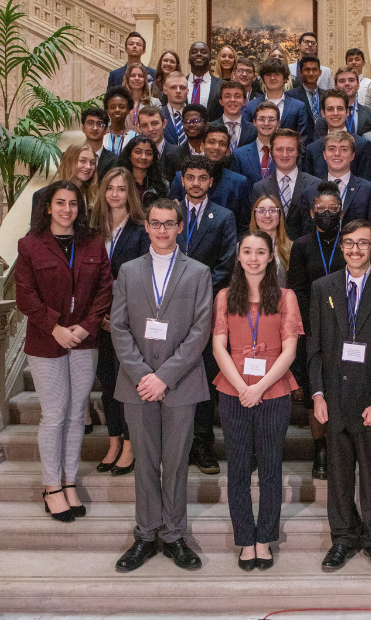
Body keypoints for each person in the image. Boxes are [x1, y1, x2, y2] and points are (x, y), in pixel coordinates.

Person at [112, 199, 212, 572]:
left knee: (175, 465)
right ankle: (145, 534)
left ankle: (174, 536)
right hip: (137, 385)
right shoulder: (129, 270)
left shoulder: (198, 272)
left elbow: (200, 331)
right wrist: (143, 376)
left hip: (180, 385)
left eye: (169, 224)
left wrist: (164, 377)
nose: (162, 230)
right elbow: (119, 326)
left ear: (180, 226)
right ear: (147, 227)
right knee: (144, 464)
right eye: (156, 224)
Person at [308, 220, 371, 573]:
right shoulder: (323, 288)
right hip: (333, 399)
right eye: (349, 243)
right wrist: (317, 394)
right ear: (342, 247)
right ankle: (344, 537)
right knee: (338, 474)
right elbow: (314, 348)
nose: (355, 249)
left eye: (363, 243)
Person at [15, 181, 113, 522]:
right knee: (54, 414)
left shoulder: (93, 242)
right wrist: (55, 327)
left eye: (72, 203)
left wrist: (86, 326)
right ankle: (51, 486)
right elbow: (25, 296)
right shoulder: (29, 245)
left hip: (84, 340)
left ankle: (69, 482)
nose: (66, 209)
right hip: (46, 341)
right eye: (60, 202)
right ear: (48, 207)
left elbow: (105, 289)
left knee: (75, 415)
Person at [211, 231, 302, 571]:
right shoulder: (224, 297)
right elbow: (219, 346)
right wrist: (241, 387)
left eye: (260, 252)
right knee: (237, 469)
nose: (253, 258)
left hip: (273, 392)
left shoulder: (285, 296)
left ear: (270, 256)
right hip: (233, 393)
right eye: (247, 251)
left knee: (270, 468)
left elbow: (289, 349)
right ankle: (245, 540)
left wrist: (260, 387)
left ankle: (264, 539)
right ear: (239, 256)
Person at [173, 156, 238, 474]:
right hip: (170, 311)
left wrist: (196, 290)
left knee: (205, 378)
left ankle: (202, 444)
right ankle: (177, 444)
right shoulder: (169, 214)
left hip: (209, 310)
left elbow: (227, 263)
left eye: (202, 177)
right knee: (176, 375)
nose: (196, 183)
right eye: (190, 177)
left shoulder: (224, 216)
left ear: (211, 182)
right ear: (182, 180)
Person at [91, 169, 150, 476]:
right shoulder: (92, 229)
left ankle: (129, 445)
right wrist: (99, 314)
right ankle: (113, 441)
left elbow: (142, 279)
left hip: (128, 321)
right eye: (110, 188)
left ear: (131, 193)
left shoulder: (141, 230)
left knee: (127, 385)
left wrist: (117, 316)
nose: (115, 194)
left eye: (121, 188)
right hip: (97, 318)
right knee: (108, 384)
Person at [288, 181, 346, 480]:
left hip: (347, 326)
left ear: (341, 211)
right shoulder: (302, 245)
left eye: (332, 209)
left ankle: (340, 444)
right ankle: (320, 446)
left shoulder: (349, 242)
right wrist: (308, 325)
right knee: (315, 390)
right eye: (321, 209)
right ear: (312, 212)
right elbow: (296, 289)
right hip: (313, 327)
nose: (326, 213)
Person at [169, 124, 252, 233]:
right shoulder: (180, 178)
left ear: (228, 151)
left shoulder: (239, 182)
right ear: (202, 146)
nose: (216, 147)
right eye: (211, 142)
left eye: (222, 144)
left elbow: (244, 226)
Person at [251, 128, 322, 242]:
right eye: (279, 149)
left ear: (298, 152)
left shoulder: (315, 184)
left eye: (290, 150)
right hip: (271, 251)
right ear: (271, 152)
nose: (285, 154)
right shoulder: (260, 187)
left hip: (305, 252)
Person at [315, 130, 371, 230]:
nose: (337, 153)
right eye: (331, 149)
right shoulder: (312, 190)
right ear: (324, 155)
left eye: (344, 149)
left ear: (352, 155)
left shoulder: (369, 191)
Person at [303, 90, 371, 183]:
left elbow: (367, 187)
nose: (335, 113)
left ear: (347, 112)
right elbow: (310, 187)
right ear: (323, 113)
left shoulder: (362, 145)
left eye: (340, 108)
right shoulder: (312, 149)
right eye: (330, 109)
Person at [242, 58, 308, 140]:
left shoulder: (298, 107)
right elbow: (246, 138)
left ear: (285, 78)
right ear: (262, 79)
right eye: (268, 74)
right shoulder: (250, 106)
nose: (272, 78)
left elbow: (303, 139)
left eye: (277, 74)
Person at [31, 144, 99, 221]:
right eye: (82, 161)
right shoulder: (43, 195)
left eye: (92, 163)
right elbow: (36, 231)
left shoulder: (95, 196)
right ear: (69, 162)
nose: (88, 166)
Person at [314, 67, 371, 139]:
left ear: (358, 85)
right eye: (342, 81)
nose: (347, 84)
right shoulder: (325, 116)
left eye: (351, 80)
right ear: (335, 86)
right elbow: (319, 145)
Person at [230, 100, 279, 188]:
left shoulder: (286, 154)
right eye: (261, 119)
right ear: (254, 122)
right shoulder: (239, 155)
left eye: (271, 119)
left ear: (278, 123)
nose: (266, 123)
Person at [249, 195, 292, 287]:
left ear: (279, 215)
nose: (267, 215)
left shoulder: (292, 248)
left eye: (272, 211)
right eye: (261, 211)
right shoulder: (242, 248)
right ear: (254, 215)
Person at [285, 53, 326, 144]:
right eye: (307, 70)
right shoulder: (290, 96)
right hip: (300, 146)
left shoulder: (327, 95)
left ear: (320, 72)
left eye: (314, 70)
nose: (311, 73)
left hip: (324, 145)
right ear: (300, 72)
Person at [137, 105, 182, 185]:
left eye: (154, 123)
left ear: (164, 123)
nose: (150, 129)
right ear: (139, 128)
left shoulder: (178, 153)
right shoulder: (136, 156)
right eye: (145, 125)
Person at [118, 134, 169, 205]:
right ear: (129, 155)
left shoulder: (163, 184)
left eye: (148, 154)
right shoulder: (119, 181)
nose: (143, 157)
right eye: (138, 152)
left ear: (153, 158)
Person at [211, 80, 256, 151]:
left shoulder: (254, 130)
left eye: (237, 96)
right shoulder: (210, 128)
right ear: (221, 101)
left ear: (244, 101)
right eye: (227, 96)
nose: (232, 100)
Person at [186, 41, 224, 123]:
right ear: (189, 60)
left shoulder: (221, 85)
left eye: (203, 52)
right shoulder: (179, 84)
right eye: (194, 52)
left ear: (210, 60)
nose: (199, 54)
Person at [81, 107, 118, 181]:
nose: (95, 128)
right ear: (83, 128)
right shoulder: (70, 156)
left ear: (106, 130)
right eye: (90, 123)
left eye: (100, 124)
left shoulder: (115, 160)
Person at [171, 103, 209, 168]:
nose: (191, 125)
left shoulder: (213, 151)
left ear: (206, 124)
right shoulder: (175, 155)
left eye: (196, 121)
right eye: (187, 121)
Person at [103, 87, 137, 156]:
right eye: (112, 107)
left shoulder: (135, 137)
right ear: (107, 111)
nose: (117, 110)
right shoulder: (101, 135)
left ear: (128, 110)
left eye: (122, 107)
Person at [124, 63, 161, 128]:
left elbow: (158, 127)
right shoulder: (121, 103)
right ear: (127, 79)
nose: (137, 78)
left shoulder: (154, 103)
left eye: (140, 76)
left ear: (145, 80)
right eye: (133, 75)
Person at [160, 72, 190, 147]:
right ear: (165, 90)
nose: (178, 91)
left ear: (187, 91)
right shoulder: (158, 115)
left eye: (182, 88)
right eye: (173, 87)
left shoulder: (195, 115)